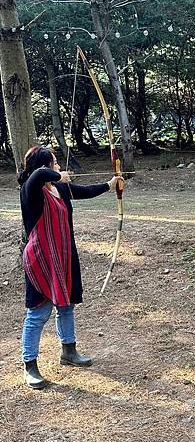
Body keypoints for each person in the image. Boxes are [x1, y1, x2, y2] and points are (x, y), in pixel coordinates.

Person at [18, 145, 121, 389]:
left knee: (66, 305)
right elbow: (38, 175)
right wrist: (56, 175)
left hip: (63, 257)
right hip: (40, 260)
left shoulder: (59, 189)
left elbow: (84, 191)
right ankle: (30, 366)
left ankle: (69, 352)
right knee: (38, 313)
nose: (58, 167)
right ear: (44, 167)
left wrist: (110, 184)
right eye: (54, 163)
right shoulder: (31, 189)